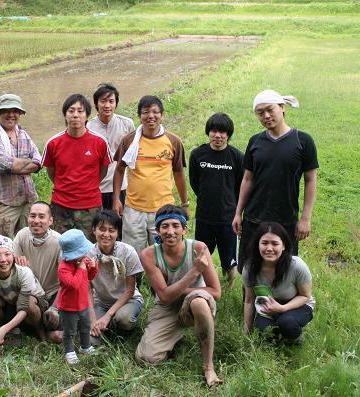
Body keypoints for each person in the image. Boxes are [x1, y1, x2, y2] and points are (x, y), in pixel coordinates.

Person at [135, 205, 223, 388]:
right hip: (167, 307)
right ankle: (176, 335)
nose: (170, 231)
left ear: (185, 229)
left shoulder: (198, 248)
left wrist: (174, 290)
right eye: (164, 226)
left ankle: (208, 367)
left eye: (176, 225)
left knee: (199, 301)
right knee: (146, 358)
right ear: (157, 230)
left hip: (195, 301)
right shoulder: (149, 255)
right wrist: (194, 272)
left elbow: (215, 292)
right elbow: (165, 298)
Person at [232, 89, 318, 271]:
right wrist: (238, 213)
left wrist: (305, 218)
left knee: (283, 268)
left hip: (286, 218)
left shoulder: (303, 141)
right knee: (250, 267)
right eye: (260, 112)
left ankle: (279, 300)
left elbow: (310, 180)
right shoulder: (255, 141)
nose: (266, 116)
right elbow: (247, 179)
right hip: (254, 217)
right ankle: (249, 300)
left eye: (270, 110)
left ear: (282, 107)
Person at [113, 95, 189, 257]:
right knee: (132, 253)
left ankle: (161, 282)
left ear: (162, 115)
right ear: (139, 116)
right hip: (133, 208)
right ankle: (135, 282)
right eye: (146, 112)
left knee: (165, 252)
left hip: (163, 208)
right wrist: (116, 199)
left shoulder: (173, 141)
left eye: (155, 112)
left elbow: (178, 173)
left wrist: (184, 203)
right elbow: (119, 170)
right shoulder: (129, 140)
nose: (150, 116)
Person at [42, 94, 111, 240]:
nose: (75, 115)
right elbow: (51, 172)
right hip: (61, 205)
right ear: (65, 115)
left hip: (90, 205)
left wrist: (88, 185)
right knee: (59, 245)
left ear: (87, 116)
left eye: (80, 111)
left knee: (90, 248)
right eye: (71, 111)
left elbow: (103, 171)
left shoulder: (100, 142)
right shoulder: (53, 143)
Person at [189, 113, 244, 288]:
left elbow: (240, 185)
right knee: (201, 254)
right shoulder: (198, 155)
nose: (218, 136)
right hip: (204, 216)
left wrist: (235, 210)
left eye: (222, 132)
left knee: (230, 257)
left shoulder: (237, 157)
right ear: (208, 132)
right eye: (214, 131)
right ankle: (203, 283)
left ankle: (229, 287)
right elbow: (194, 182)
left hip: (228, 217)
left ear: (228, 134)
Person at [242, 222, 314, 344]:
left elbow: (305, 296)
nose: (269, 248)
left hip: (298, 304)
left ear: (283, 246)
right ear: (258, 245)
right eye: (264, 243)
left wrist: (282, 308)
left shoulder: (297, 266)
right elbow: (249, 301)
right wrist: (246, 333)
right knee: (264, 333)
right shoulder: (250, 268)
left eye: (275, 243)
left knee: (287, 324)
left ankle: (296, 337)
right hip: (268, 307)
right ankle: (279, 333)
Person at [0, 94, 42, 239]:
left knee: (30, 243)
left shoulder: (23, 133)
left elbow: (39, 162)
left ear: (20, 113)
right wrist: (27, 161)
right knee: (0, 247)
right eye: (6, 110)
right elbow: (5, 164)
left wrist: (17, 164)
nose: (11, 115)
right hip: (4, 204)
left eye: (15, 110)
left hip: (29, 200)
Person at [0, 235, 49, 346]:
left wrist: (4, 329)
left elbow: (24, 306)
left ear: (13, 256)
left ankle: (41, 332)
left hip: (35, 305)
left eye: (7, 254)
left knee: (29, 303)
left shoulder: (24, 272)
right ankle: (3, 331)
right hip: (10, 302)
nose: (3, 260)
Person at [88, 210, 144, 346]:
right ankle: (104, 323)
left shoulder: (128, 252)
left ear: (117, 233)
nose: (106, 234)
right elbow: (87, 290)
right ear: (94, 230)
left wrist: (108, 316)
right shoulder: (88, 254)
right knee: (92, 340)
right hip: (101, 301)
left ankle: (117, 324)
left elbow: (130, 290)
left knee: (124, 319)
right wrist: (92, 320)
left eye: (111, 230)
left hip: (128, 300)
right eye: (101, 229)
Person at [13, 201, 63, 342]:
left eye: (41, 217)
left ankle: (43, 328)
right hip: (31, 292)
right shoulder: (22, 235)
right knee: (28, 303)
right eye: (32, 216)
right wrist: (16, 261)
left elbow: (66, 281)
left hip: (53, 293)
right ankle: (39, 332)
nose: (36, 221)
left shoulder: (59, 241)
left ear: (50, 220)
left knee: (58, 336)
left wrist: (54, 308)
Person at [87, 83, 135, 210]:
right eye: (103, 101)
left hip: (121, 186)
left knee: (119, 224)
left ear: (116, 103)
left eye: (111, 101)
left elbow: (133, 156)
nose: (107, 105)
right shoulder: (88, 127)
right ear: (96, 103)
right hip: (96, 187)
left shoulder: (127, 124)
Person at [57, 229, 98, 364]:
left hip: (83, 303)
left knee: (85, 327)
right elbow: (73, 284)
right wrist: (82, 268)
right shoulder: (63, 268)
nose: (86, 254)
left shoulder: (82, 262)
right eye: (83, 252)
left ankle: (85, 346)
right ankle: (69, 351)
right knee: (70, 331)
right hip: (68, 307)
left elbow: (90, 277)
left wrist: (93, 267)